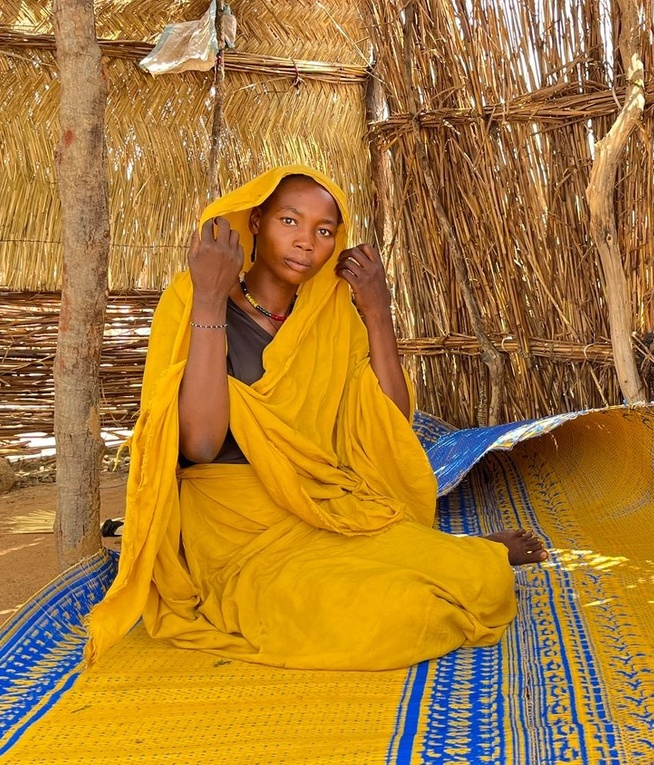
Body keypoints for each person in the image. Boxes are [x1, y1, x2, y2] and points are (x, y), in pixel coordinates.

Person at [85, 165, 546, 671]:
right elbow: (198, 443)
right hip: (230, 531)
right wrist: (211, 297)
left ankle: (460, 553)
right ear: (256, 221)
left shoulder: (329, 318)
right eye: (289, 221)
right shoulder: (191, 299)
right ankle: (441, 555)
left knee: (478, 581)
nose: (306, 242)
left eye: (323, 231)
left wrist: (377, 312)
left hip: (316, 506)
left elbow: (390, 423)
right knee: (394, 617)